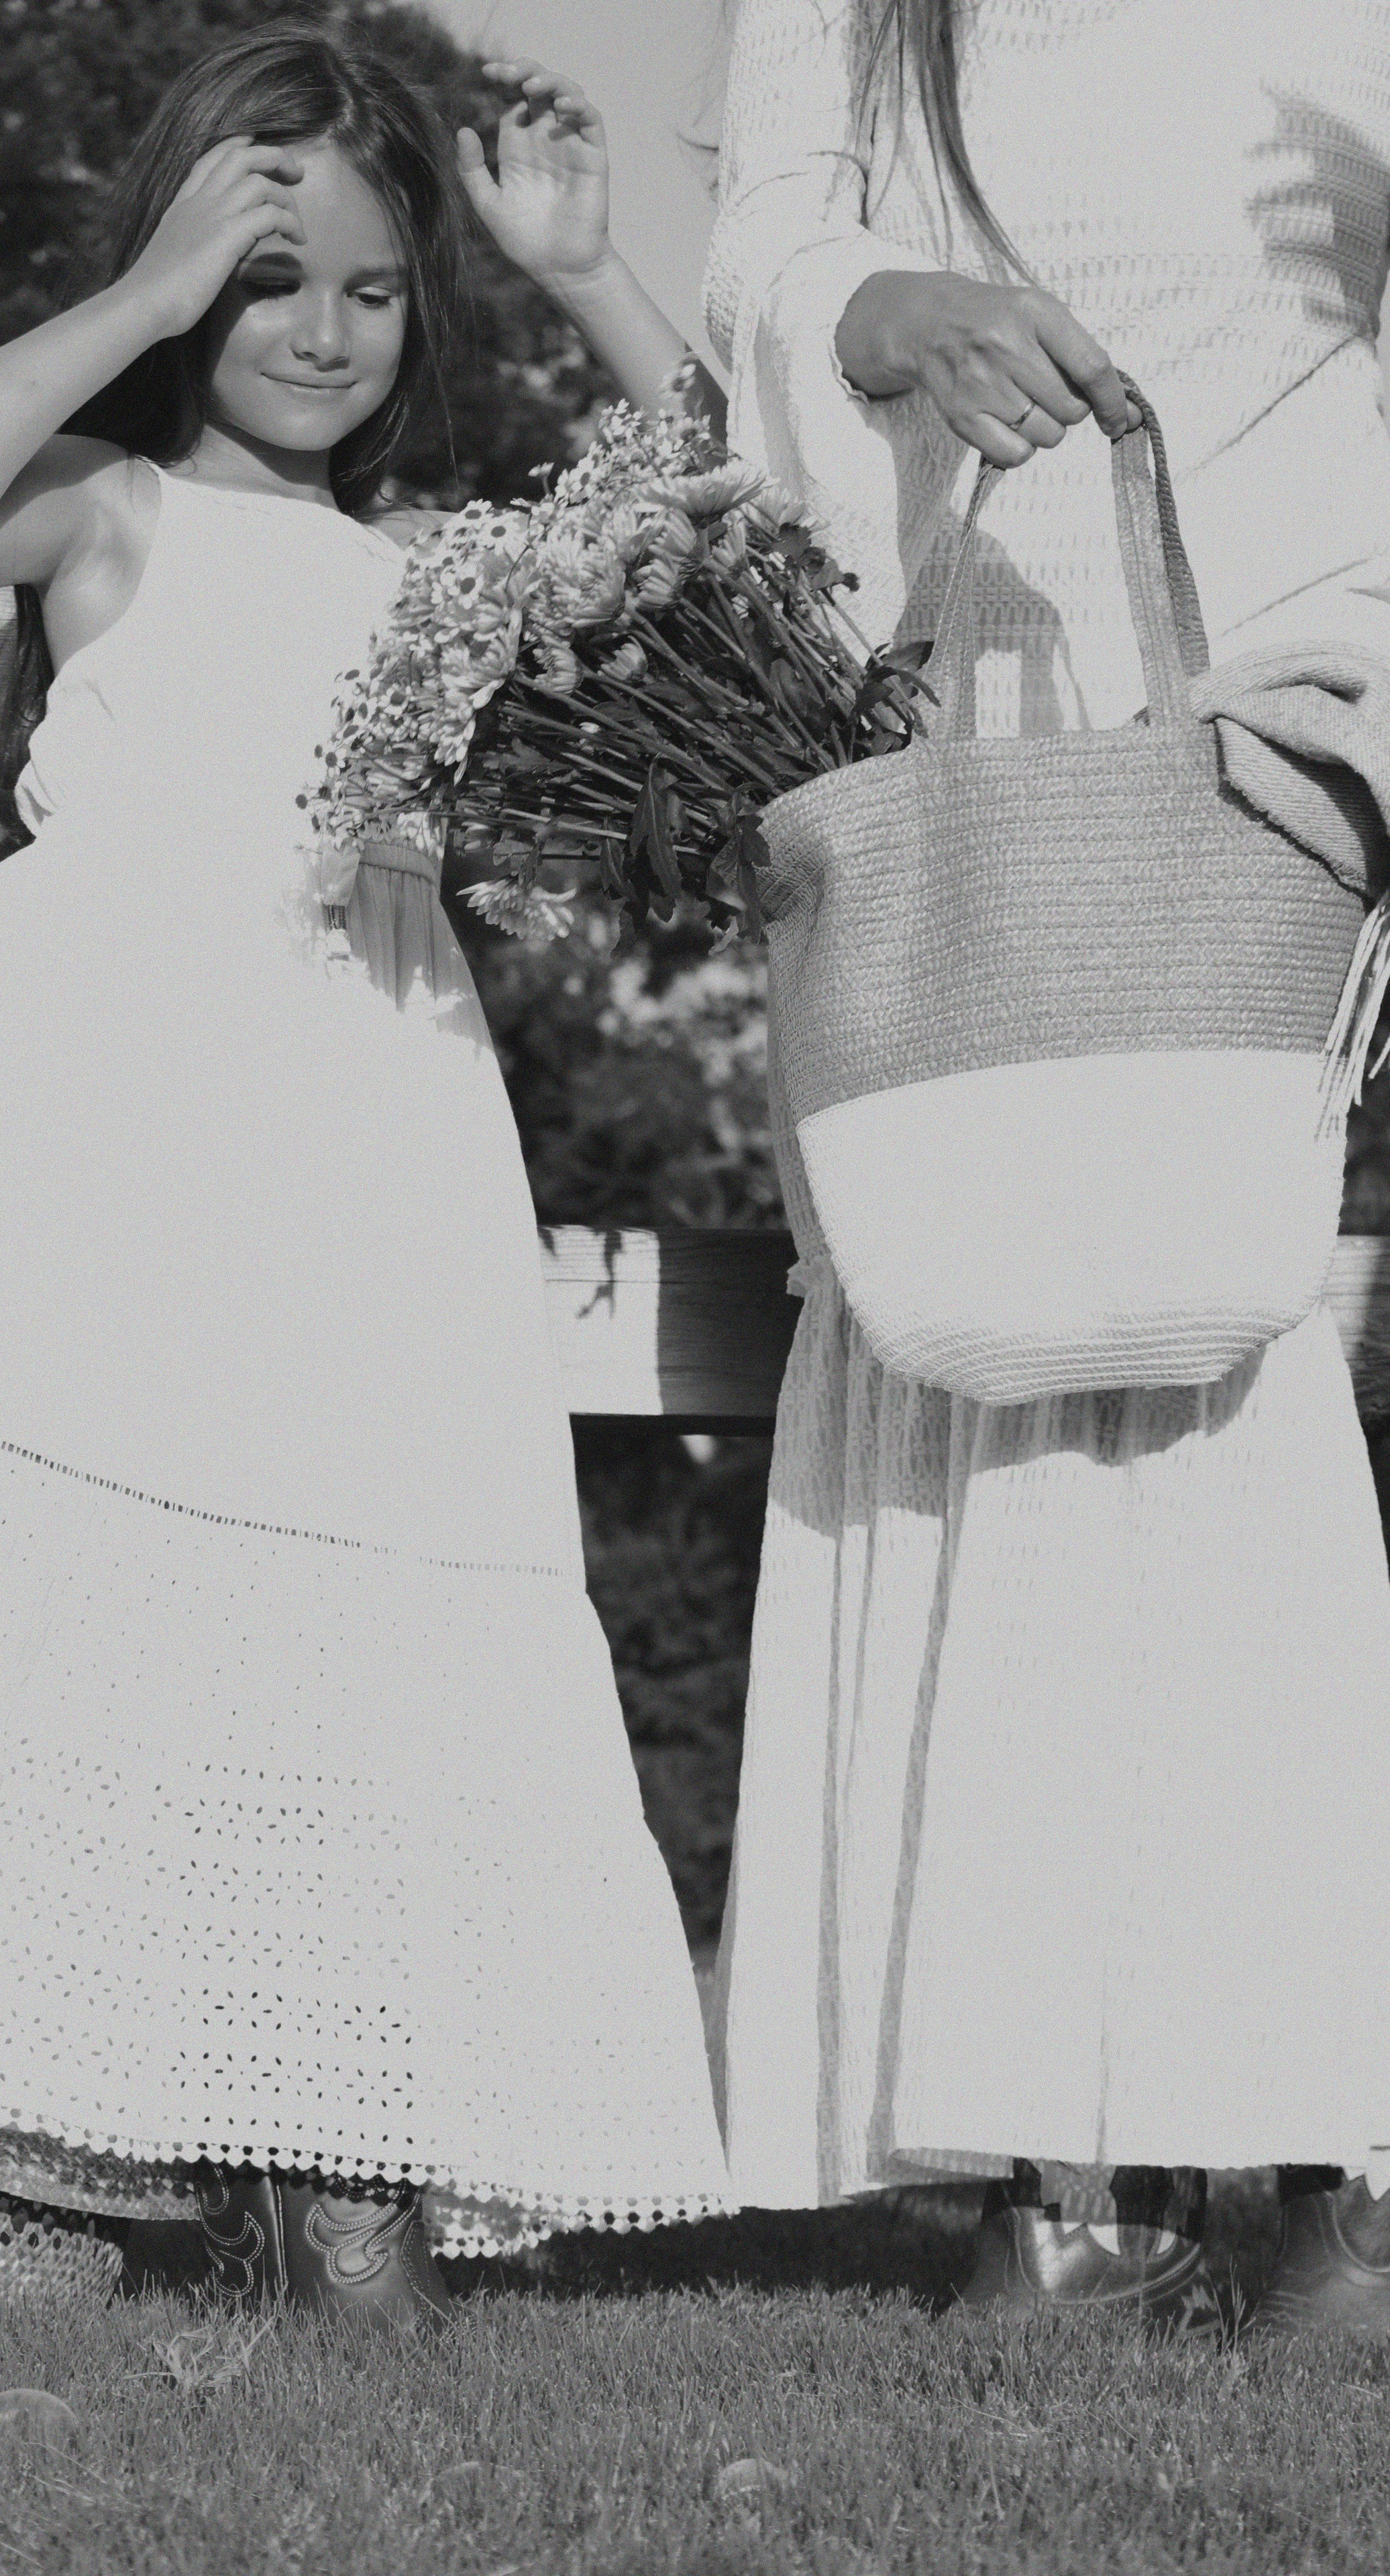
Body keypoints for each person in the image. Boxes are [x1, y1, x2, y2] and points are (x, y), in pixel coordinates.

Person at [0, 23, 735, 2329]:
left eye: (368, 289)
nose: (322, 333)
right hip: (111, 1147)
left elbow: (699, 506)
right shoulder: (112, 511)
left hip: (364, 1140)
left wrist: (591, 271)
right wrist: (154, 292)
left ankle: (332, 2158)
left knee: (357, 1595)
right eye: (272, 284)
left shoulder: (452, 571)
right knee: (52, 1553)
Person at [702, 0, 1390, 2334]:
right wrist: (876, 310)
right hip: (975, 705)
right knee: (972, 1360)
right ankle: (1040, 2157)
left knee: (1230, 1370)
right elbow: (765, 257)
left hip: (1279, 717)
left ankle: (1307, 2157)